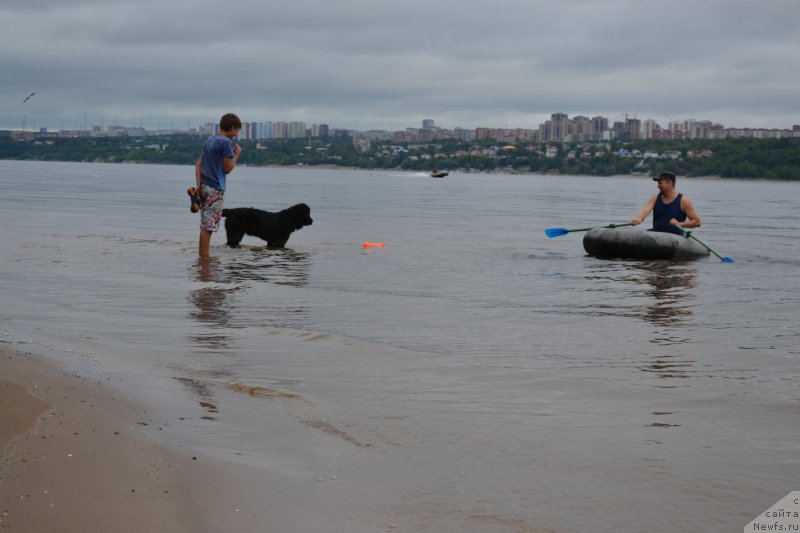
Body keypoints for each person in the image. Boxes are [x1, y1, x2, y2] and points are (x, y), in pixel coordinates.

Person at [195, 113, 242, 257]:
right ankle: (204, 261)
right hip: (215, 188)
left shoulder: (209, 140)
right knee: (208, 228)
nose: (236, 135)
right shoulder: (226, 142)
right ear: (232, 127)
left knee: (205, 226)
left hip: (204, 186)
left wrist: (198, 186)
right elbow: (227, 169)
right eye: (237, 131)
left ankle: (202, 259)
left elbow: (198, 164)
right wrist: (237, 154)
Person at [630, 172, 701, 235]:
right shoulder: (654, 199)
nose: (658, 186)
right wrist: (638, 219)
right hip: (656, 237)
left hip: (675, 239)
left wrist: (679, 224)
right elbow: (645, 211)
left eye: (660, 183)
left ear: (670, 183)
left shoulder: (684, 201)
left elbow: (697, 222)